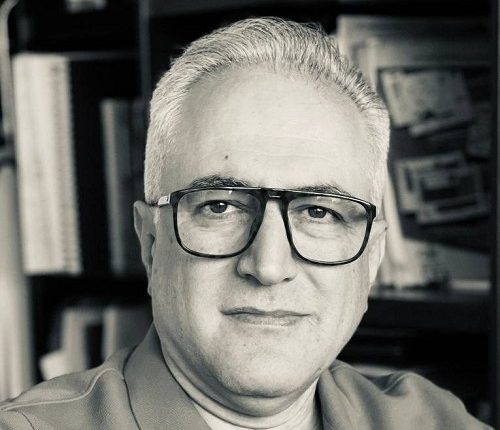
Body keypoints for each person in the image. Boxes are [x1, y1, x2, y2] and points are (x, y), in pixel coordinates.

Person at [0, 17, 492, 430]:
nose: (269, 266)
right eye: (221, 207)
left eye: (319, 211)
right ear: (150, 242)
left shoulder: (433, 421)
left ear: (372, 258)